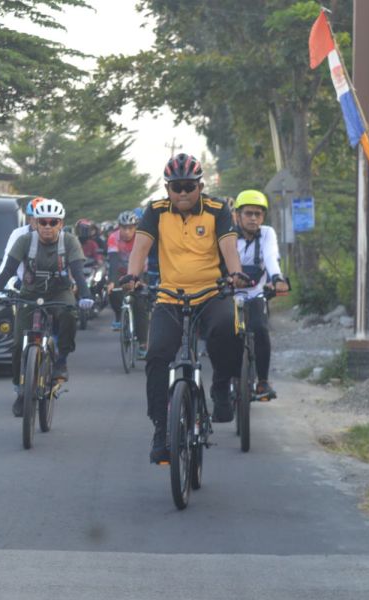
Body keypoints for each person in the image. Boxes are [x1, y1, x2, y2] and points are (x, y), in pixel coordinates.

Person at [121, 153, 249, 464]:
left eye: (188, 187)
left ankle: (220, 388)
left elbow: (228, 246)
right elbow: (141, 247)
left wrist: (235, 273)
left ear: (200, 186)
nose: (182, 193)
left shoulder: (218, 209)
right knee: (157, 356)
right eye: (175, 187)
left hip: (211, 293)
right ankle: (160, 428)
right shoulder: (155, 210)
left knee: (228, 330)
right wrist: (133, 277)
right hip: (169, 297)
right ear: (167, 188)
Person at [0, 199, 95, 416]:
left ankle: (61, 359)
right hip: (30, 293)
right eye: (42, 222)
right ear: (35, 222)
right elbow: (8, 269)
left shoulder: (70, 241)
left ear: (60, 224)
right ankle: (20, 389)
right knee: (18, 344)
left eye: (52, 222)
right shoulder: (25, 240)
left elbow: (78, 272)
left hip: (59, 291)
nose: (47, 227)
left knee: (68, 315)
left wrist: (86, 296)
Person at [233, 189, 289, 400]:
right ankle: (223, 381)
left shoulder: (267, 233)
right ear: (238, 215)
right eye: (248, 213)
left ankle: (262, 381)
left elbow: (271, 257)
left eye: (258, 214)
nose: (253, 218)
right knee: (223, 335)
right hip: (229, 294)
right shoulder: (228, 234)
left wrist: (277, 279)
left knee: (261, 330)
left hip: (256, 293)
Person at [106, 210, 149, 358]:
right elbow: (113, 261)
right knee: (112, 290)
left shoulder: (141, 237)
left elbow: (143, 261)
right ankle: (119, 314)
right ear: (119, 227)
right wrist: (112, 281)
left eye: (130, 228)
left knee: (140, 304)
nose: (127, 231)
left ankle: (143, 343)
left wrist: (139, 281)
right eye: (124, 227)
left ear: (136, 227)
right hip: (120, 271)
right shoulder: (113, 238)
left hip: (140, 270)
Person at [0, 196, 44, 282]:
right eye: (35, 219)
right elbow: (7, 260)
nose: (39, 223)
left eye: (43, 220)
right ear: (29, 219)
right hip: (25, 285)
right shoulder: (18, 234)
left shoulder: (60, 235)